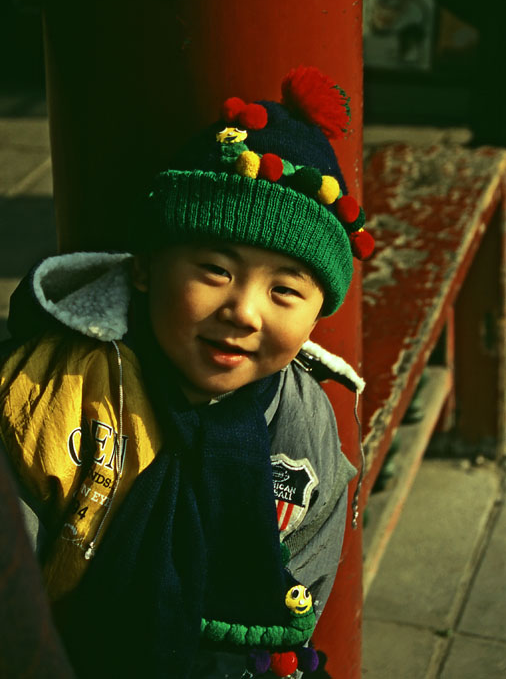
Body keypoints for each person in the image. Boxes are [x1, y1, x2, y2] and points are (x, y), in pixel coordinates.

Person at [0, 66, 373, 678]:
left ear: (316, 312)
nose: (244, 312)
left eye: (284, 291)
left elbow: (308, 564)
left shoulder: (305, 421)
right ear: (145, 267)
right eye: (214, 271)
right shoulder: (53, 389)